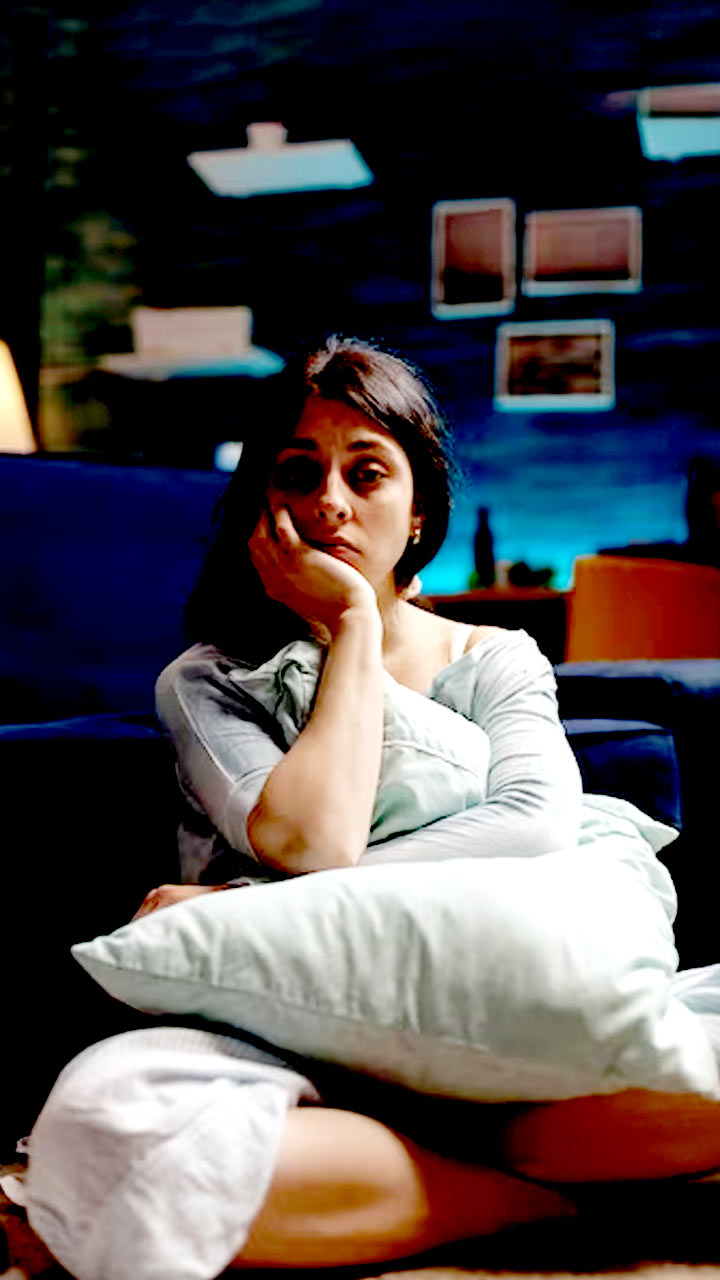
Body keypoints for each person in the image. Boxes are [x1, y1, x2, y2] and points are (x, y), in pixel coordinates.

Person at [22, 336, 720, 1280]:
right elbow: (308, 841)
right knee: (107, 1132)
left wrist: (252, 905)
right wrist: (352, 626)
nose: (330, 503)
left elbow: (533, 824)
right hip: (279, 1025)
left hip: (506, 1014)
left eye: (366, 472)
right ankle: (538, 1197)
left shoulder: (494, 657)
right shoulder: (208, 681)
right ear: (261, 503)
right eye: (297, 472)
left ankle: (419, 1169)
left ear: (419, 508)